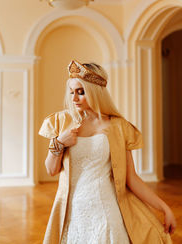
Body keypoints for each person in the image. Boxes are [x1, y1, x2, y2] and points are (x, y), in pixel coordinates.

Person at [39, 60, 176, 244]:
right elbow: (51, 170)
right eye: (72, 92)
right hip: (73, 210)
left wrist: (164, 208)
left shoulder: (119, 127)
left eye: (81, 92)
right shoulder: (61, 122)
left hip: (106, 208)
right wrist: (59, 143)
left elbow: (132, 179)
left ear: (96, 91)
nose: (74, 98)